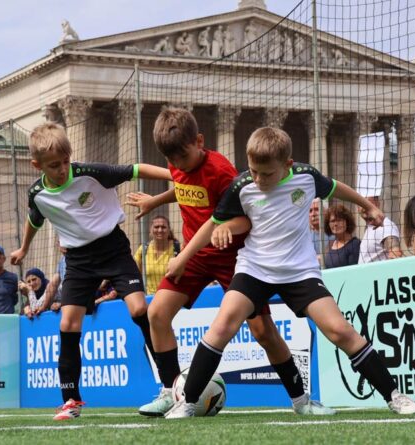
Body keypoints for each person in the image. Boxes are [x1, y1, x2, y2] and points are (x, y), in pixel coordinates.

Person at [163, 127, 415, 418]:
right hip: (255, 269)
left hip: (300, 271)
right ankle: (187, 402)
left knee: (339, 330)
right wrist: (190, 252)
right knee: (222, 326)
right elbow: (215, 223)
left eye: (266, 174)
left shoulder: (306, 176)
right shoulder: (241, 186)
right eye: (253, 171)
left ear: (287, 164)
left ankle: (394, 395)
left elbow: (337, 187)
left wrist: (367, 207)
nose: (258, 179)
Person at [128, 108, 335, 418]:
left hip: (234, 259)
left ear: (199, 142)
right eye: (172, 162)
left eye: (182, 158)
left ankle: (301, 399)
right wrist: (155, 201)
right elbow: (185, 188)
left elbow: (243, 215)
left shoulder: (223, 172)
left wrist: (218, 235)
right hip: (196, 255)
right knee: (157, 312)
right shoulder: (178, 162)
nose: (177, 166)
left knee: (263, 331)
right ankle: (171, 391)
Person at [9, 121, 172, 421]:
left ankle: (172, 385)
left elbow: (135, 169)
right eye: (54, 165)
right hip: (79, 260)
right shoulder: (37, 193)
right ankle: (71, 400)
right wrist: (23, 249)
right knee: (68, 324)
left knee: (139, 310)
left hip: (113, 248)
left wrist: (178, 176)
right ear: (37, 165)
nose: (62, 169)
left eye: (65, 161)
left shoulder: (90, 173)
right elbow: (35, 218)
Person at [133, 215, 179, 295]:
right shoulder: (143, 249)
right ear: (150, 231)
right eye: (156, 227)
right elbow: (133, 273)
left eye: (163, 227)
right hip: (149, 297)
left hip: (171, 296)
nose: (160, 230)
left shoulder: (178, 249)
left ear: (169, 230)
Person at [358, 196, 403, 263]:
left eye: (366, 202)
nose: (363, 208)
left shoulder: (385, 225)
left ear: (377, 203)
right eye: (360, 203)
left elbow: (395, 254)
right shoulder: (369, 227)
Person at [322, 204, 360, 268]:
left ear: (347, 222)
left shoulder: (355, 244)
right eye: (332, 221)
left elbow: (353, 272)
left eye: (339, 220)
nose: (336, 224)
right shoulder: (330, 245)